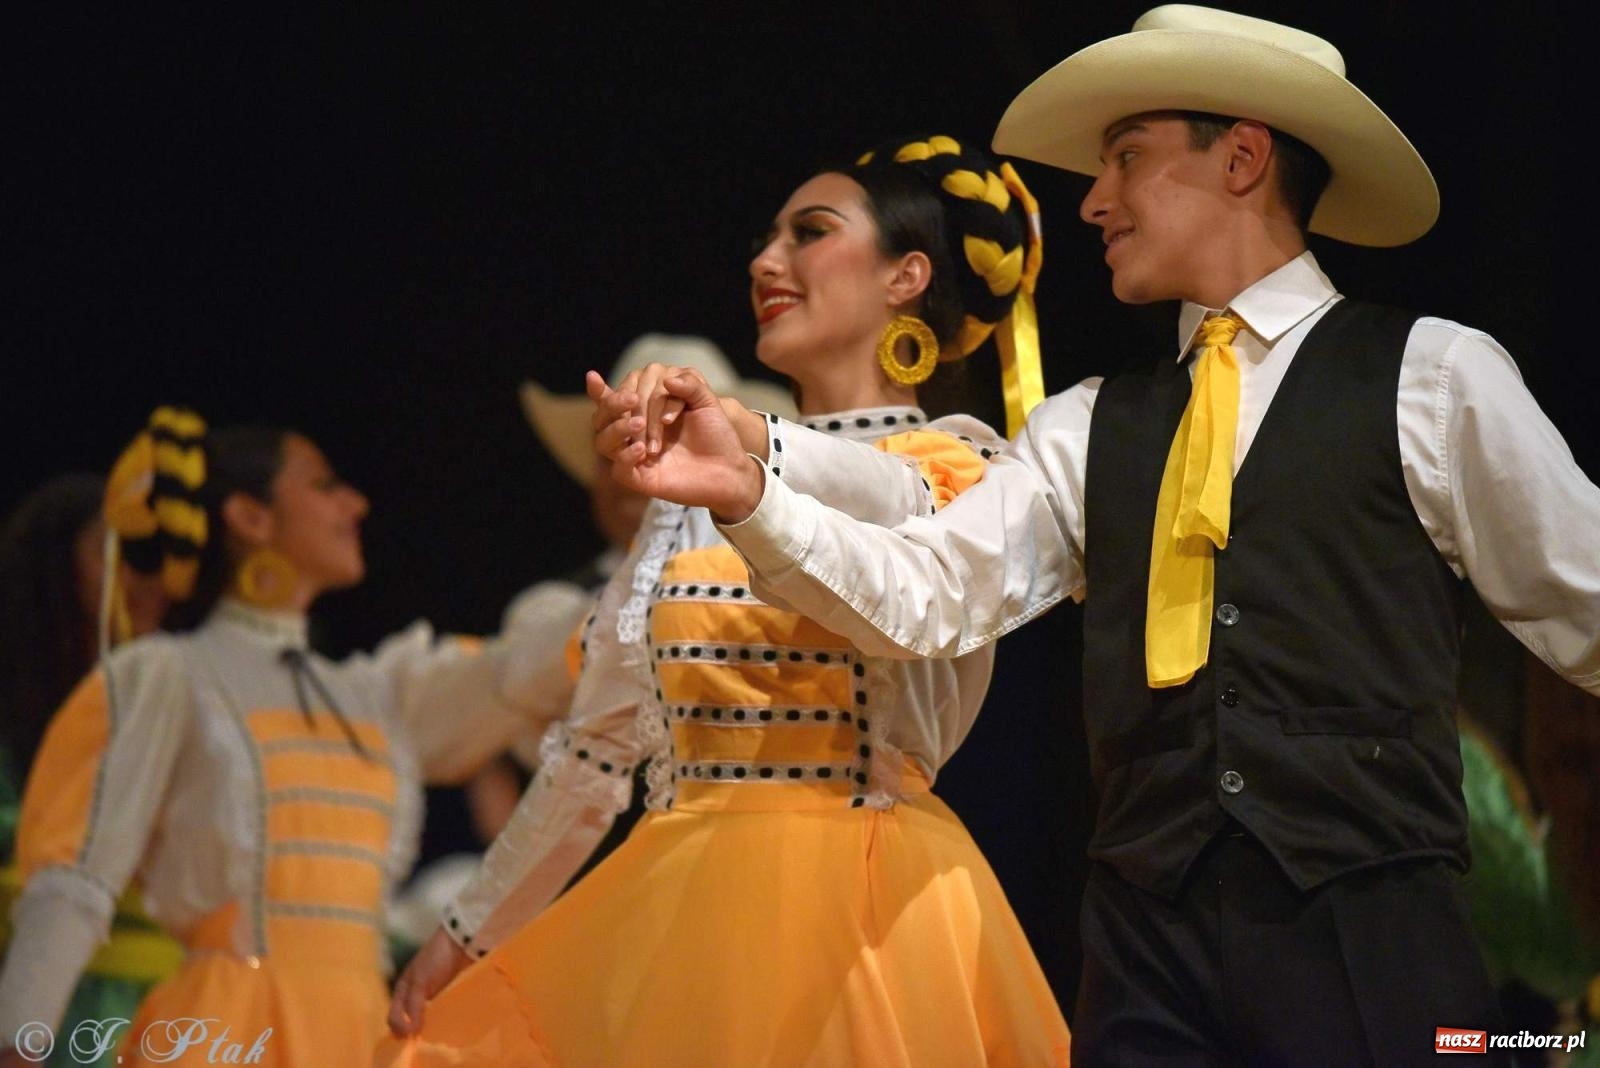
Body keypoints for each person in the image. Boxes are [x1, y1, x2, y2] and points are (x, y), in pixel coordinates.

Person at [594, 6, 1600, 1063]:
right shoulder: (1083, 425)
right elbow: (923, 594)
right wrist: (750, 492)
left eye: (1127, 157)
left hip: (1369, 935)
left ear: (1243, 159)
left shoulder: (1431, 375)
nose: (1092, 200)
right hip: (1146, 950)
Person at [378, 135, 1071, 1066]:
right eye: (766, 237)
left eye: (810, 232)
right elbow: (594, 749)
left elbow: (908, 545)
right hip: (680, 910)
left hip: (861, 913)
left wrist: (757, 455)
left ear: (906, 277)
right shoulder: (696, 498)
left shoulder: (955, 466)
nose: (764, 260)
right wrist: (463, 932)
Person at [0, 409, 578, 1067]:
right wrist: (19, 1045)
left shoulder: (375, 695)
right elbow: (75, 881)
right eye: (324, 484)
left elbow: (518, 674)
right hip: (227, 1031)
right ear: (250, 518)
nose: (354, 502)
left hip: (361, 1033)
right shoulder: (166, 676)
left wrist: (655, 562)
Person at [389, 335, 794, 953]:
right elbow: (460, 722)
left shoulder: (786, 584)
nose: (638, 463)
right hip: (600, 928)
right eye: (618, 445)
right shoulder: (553, 610)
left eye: (669, 435)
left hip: (765, 894)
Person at [0, 470, 180, 1068]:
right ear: (53, 568)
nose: (147, 579)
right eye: (123, 553)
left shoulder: (186, 708)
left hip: (173, 1015)